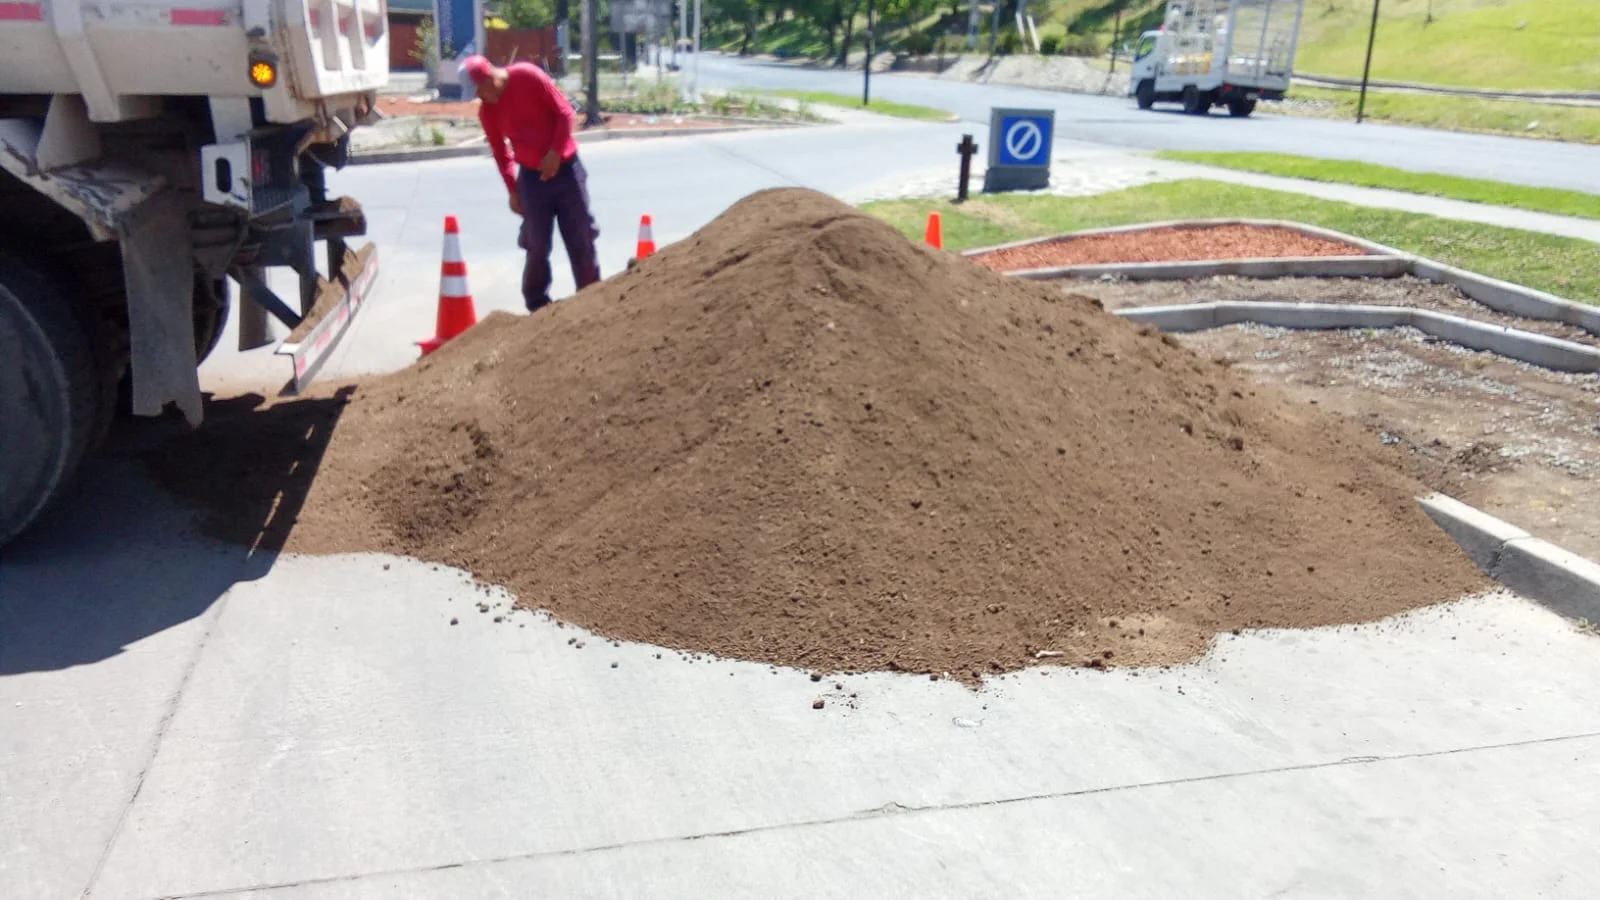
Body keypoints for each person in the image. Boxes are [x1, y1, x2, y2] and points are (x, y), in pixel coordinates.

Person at [459, 55, 600, 312]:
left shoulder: (527, 76)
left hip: (567, 171)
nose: (479, 97)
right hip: (532, 180)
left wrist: (555, 153)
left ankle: (590, 297)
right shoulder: (488, 112)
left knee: (581, 236)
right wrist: (513, 190)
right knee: (536, 243)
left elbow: (564, 113)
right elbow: (501, 153)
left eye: (479, 90)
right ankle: (537, 304)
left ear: (490, 78)